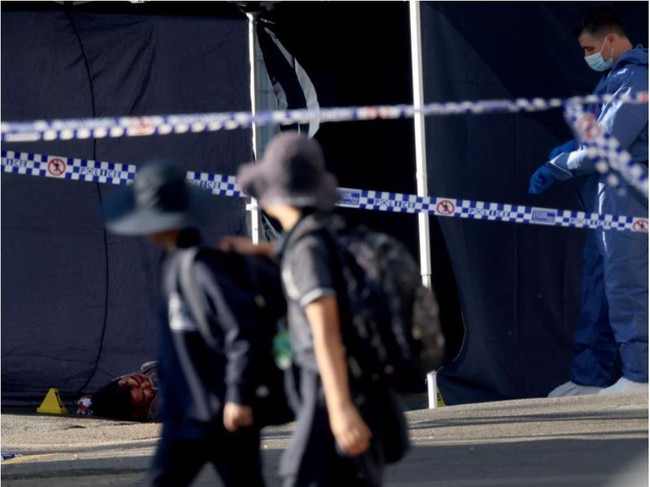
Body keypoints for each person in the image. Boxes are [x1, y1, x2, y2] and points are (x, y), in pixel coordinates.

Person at [234, 131, 408, 487]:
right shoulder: (317, 234)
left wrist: (340, 407)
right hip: (343, 383)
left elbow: (324, 328)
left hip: (328, 386)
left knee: (303, 476)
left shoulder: (306, 249)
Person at [101, 159, 266, 486]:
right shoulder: (170, 266)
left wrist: (237, 395)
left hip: (223, 413)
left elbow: (243, 331)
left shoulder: (204, 268)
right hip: (185, 417)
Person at [528, 5, 648, 395]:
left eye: (589, 48)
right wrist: (570, 150)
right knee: (603, 283)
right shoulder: (617, 79)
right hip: (607, 199)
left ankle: (640, 376)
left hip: (628, 196)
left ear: (610, 40)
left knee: (628, 282)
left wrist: (560, 165)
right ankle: (591, 376)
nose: (587, 57)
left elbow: (608, 146)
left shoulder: (636, 78)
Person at [77, 361, 160, 422]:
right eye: (144, 394)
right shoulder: (163, 408)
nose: (146, 383)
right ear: (139, 413)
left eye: (138, 379)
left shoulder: (149, 368)